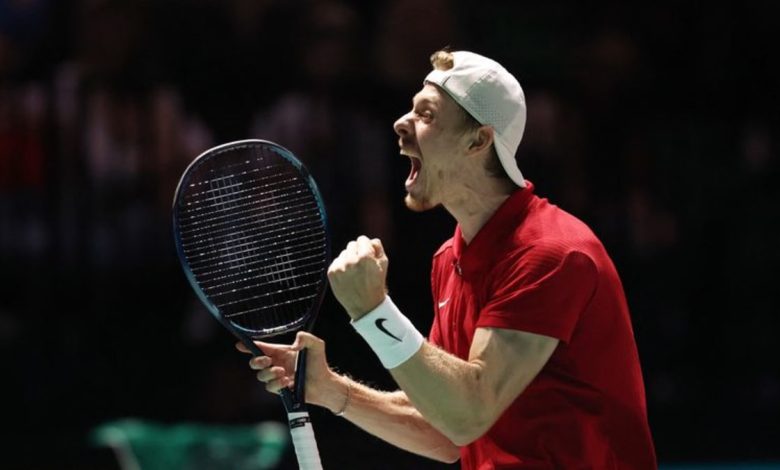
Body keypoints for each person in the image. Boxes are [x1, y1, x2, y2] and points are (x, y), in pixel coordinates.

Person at [238, 50, 657, 469]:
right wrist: (331, 390)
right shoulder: (450, 259)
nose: (401, 123)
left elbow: (467, 415)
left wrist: (373, 312)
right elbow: (444, 431)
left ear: (479, 140)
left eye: (427, 114)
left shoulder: (551, 253)